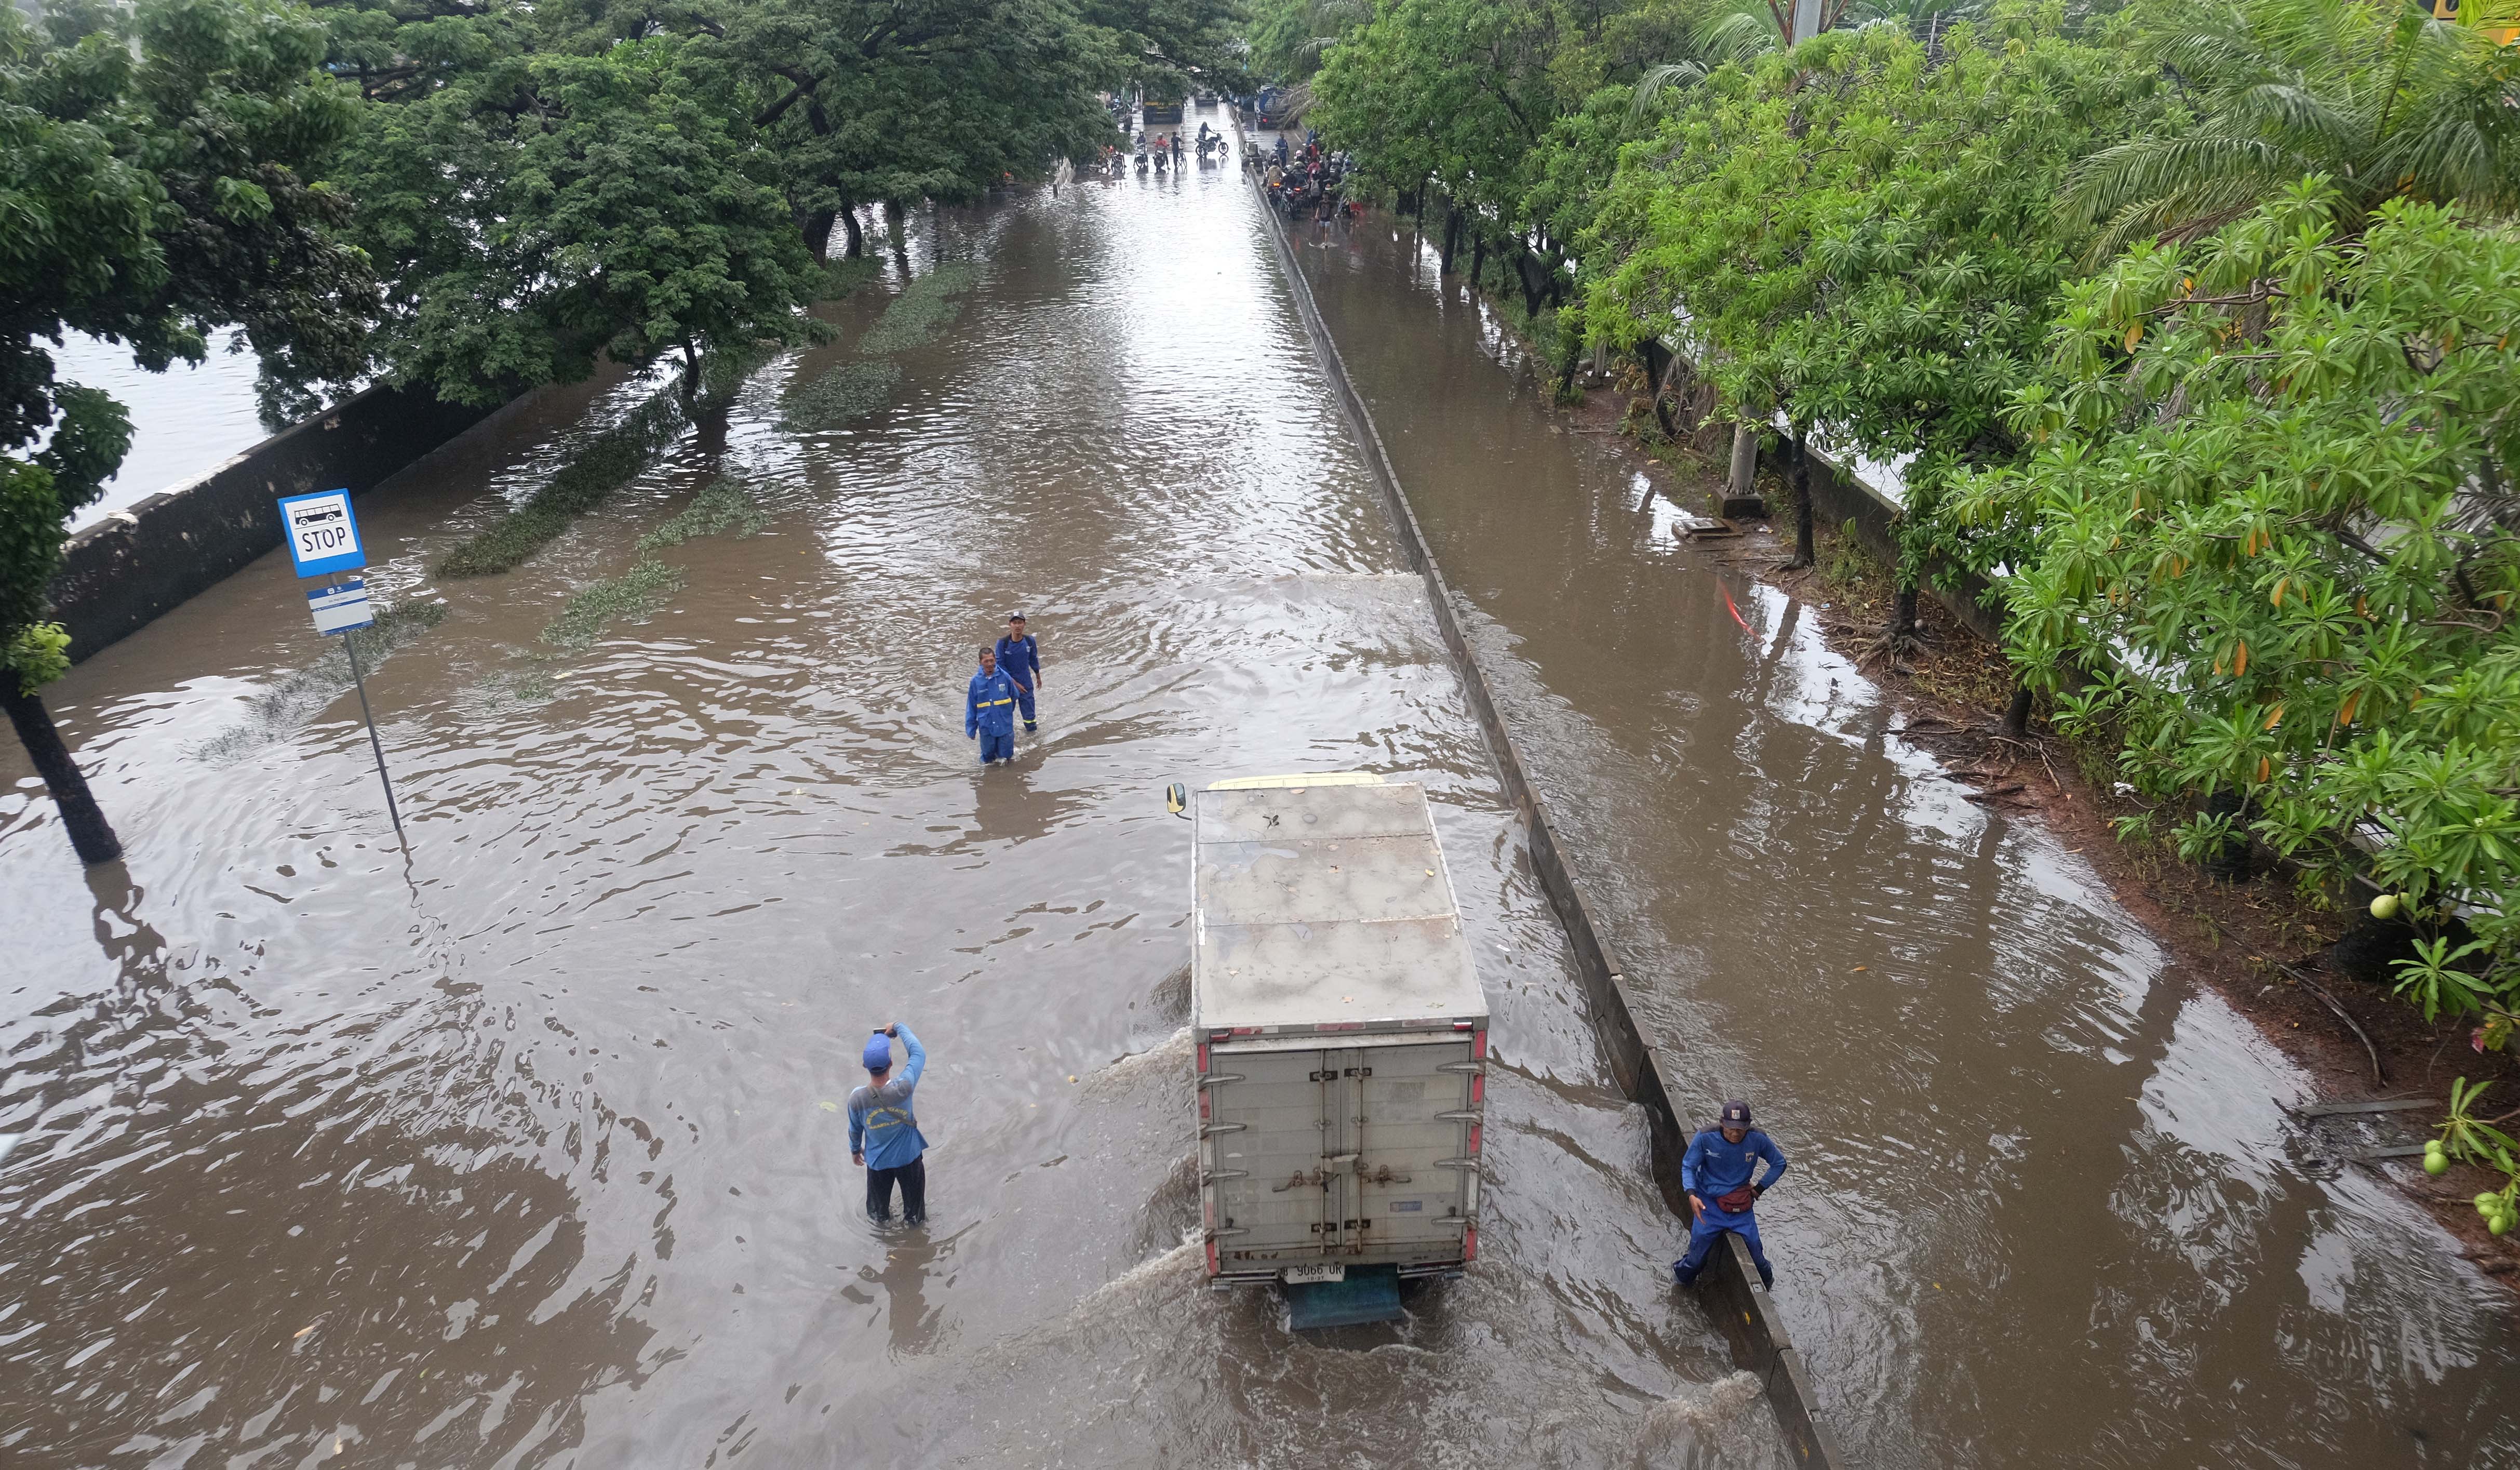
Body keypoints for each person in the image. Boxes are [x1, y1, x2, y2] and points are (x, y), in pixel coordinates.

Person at [1673, 1099, 1787, 1289]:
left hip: (1741, 1207)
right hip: (1708, 1206)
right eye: (1730, 1128)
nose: (1735, 1133)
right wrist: (1692, 1195)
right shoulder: (1705, 1137)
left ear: (1748, 1126)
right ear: (1722, 1123)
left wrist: (1759, 1188)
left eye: (1740, 1129)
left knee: (1758, 1259)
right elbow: (1688, 1166)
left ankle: (1768, 1288)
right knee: (1695, 1260)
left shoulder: (1757, 1139)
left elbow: (1779, 1163)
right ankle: (1680, 1283)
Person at [850, 1023, 929, 1224]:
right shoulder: (904, 1087)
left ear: (865, 1066)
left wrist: (855, 1150)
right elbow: (918, 1053)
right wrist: (899, 1026)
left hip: (878, 1164)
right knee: (915, 1218)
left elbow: (855, 1129)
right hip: (909, 1159)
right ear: (891, 1064)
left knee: (878, 1217)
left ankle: (883, 1247)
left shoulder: (857, 1099)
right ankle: (914, 1242)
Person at [966, 646, 1019, 765]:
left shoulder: (1004, 677)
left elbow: (1014, 695)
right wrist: (971, 729)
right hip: (986, 726)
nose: (990, 664)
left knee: (1007, 758)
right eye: (986, 661)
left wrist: (1007, 713)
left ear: (995, 660)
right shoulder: (976, 682)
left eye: (992, 660)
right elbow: (971, 707)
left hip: (1005, 725)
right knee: (988, 758)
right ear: (980, 663)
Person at [995, 612, 1043, 733]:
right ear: (1010, 625)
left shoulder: (1030, 641)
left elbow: (1033, 658)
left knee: (1030, 718)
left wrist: (1038, 676)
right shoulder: (1003, 643)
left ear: (1024, 624)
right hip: (1008, 685)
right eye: (1014, 623)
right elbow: (1000, 666)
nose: (1017, 626)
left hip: (1026, 683)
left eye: (1020, 623)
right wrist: (1015, 684)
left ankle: (1033, 743)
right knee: (1005, 715)